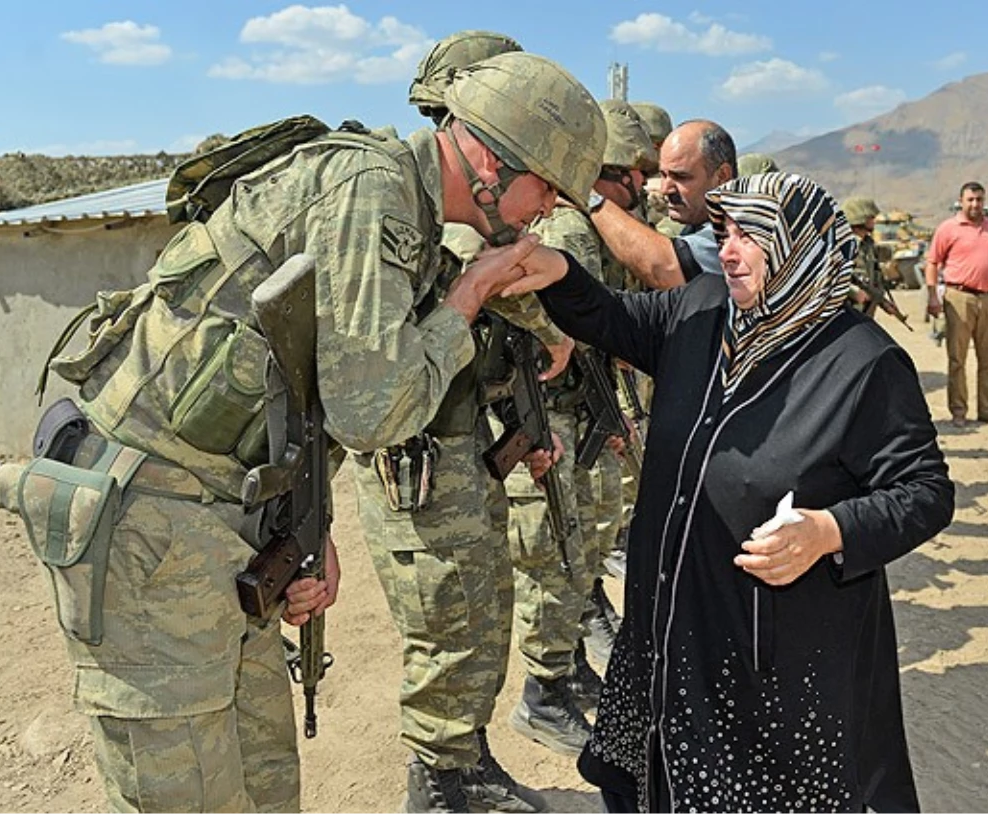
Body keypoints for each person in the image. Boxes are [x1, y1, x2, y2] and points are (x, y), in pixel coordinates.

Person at [0, 48, 603, 814]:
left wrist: (302, 524)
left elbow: (306, 387)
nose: (544, 210)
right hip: (149, 522)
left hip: (219, 514)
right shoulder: (371, 188)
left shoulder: (403, 213)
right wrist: (470, 296)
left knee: (268, 785)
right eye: (544, 186)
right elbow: (373, 409)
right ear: (487, 157)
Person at [503, 171, 954, 812]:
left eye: (752, 235)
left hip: (768, 654)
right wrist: (555, 271)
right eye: (726, 232)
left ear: (800, 246)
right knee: (652, 784)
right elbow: (609, 317)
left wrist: (828, 531)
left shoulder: (863, 363)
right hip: (667, 626)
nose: (730, 249)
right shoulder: (702, 310)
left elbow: (925, 491)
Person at [362, 40, 604, 814]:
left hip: (457, 447)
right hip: (418, 458)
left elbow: (486, 348)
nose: (548, 211)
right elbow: (381, 391)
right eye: (546, 186)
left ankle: (459, 762)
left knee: (476, 613)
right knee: (449, 625)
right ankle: (439, 781)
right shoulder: (413, 215)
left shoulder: (443, 218)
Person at [506, 99, 656, 757]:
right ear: (606, 175)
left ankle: (566, 674)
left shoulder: (590, 234)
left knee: (583, 549)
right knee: (555, 554)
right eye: (633, 175)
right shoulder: (568, 233)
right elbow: (543, 333)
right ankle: (542, 694)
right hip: (556, 417)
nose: (643, 188)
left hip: (586, 412)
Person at [589, 119, 736, 288]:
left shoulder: (738, 228)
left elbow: (664, 268)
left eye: (681, 177)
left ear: (722, 176)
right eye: (663, 175)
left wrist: (591, 199)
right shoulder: (698, 222)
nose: (665, 189)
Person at [924, 181, 988, 425]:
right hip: (958, 297)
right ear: (961, 201)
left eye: (979, 199)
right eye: (970, 199)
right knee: (957, 358)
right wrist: (933, 296)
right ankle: (959, 412)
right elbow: (932, 262)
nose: (975, 204)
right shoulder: (948, 229)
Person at [841, 196, 884, 317]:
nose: (874, 221)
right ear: (859, 218)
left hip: (864, 309)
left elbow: (875, 275)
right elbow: (830, 276)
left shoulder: (868, 244)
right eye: (871, 217)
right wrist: (854, 292)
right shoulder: (844, 244)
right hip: (845, 308)